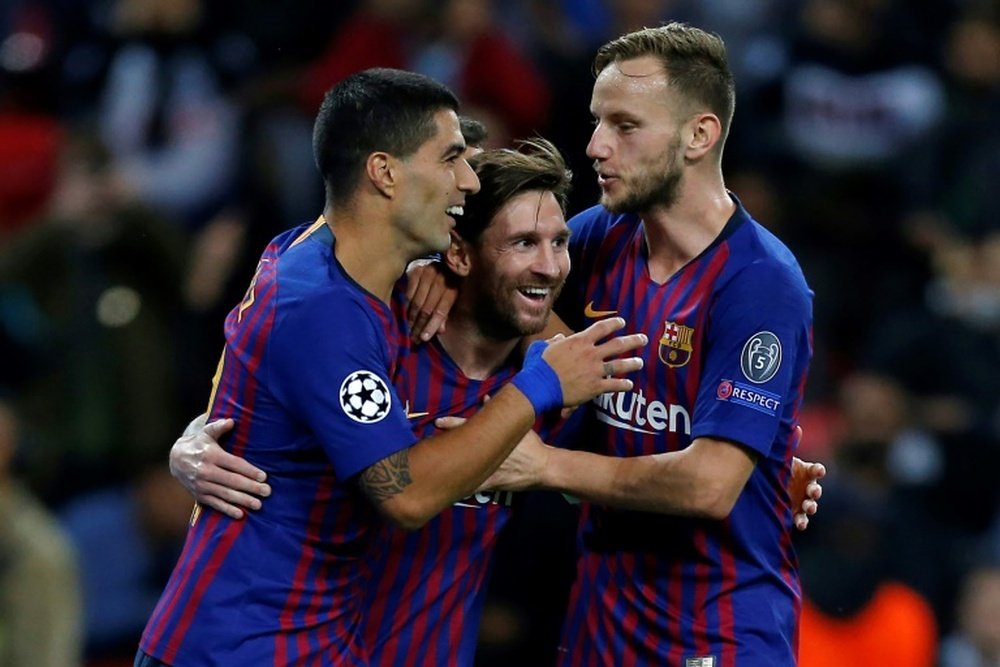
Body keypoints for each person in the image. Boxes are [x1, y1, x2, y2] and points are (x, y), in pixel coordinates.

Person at [171, 131, 825, 665]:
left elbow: (657, 463)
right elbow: (276, 381)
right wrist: (193, 439)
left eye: (560, 243)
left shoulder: (561, 392)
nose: (549, 265)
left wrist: (764, 488)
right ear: (459, 252)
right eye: (521, 243)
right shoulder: (386, 340)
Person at [135, 68, 645, 667]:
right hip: (234, 650)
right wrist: (540, 385)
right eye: (451, 158)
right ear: (384, 173)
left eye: (557, 243)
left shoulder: (327, 266)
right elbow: (403, 493)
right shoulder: (326, 309)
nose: (466, 179)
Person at [406, 22, 816, 665]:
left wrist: (544, 467)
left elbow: (710, 484)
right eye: (597, 122)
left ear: (698, 135)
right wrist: (436, 266)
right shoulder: (600, 237)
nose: (595, 146)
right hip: (602, 622)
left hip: (718, 632)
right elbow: (500, 295)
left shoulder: (760, 284)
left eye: (625, 126)